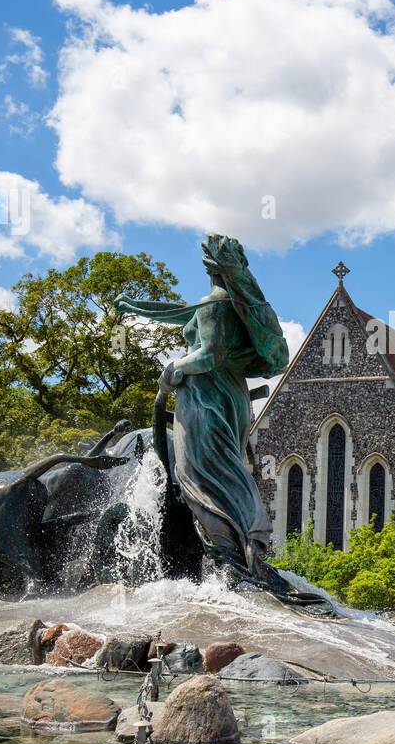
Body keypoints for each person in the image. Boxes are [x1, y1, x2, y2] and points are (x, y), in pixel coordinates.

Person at [115, 235, 288, 574]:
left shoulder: (215, 306)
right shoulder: (232, 306)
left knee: (199, 476)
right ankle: (250, 544)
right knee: (229, 469)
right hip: (231, 397)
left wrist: (174, 369)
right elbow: (184, 315)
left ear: (208, 267)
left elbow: (209, 354)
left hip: (205, 400)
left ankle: (231, 561)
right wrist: (137, 308)